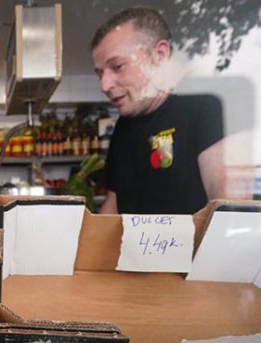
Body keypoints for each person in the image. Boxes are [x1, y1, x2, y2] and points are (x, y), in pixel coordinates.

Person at [92, 6, 226, 215]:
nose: (104, 84)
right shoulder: (124, 125)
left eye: (117, 66)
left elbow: (228, 212)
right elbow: (114, 203)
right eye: (100, 73)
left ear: (160, 55)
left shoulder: (204, 106)